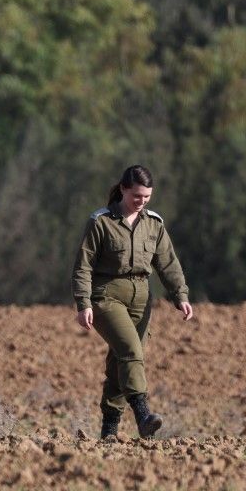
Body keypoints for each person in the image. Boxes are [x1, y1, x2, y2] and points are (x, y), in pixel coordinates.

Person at [71, 164, 193, 440]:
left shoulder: (153, 223)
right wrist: (83, 303)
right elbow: (83, 266)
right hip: (107, 295)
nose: (141, 201)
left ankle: (109, 431)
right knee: (130, 351)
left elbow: (168, 263)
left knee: (120, 362)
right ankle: (143, 415)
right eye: (137, 196)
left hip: (141, 298)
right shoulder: (101, 222)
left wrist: (180, 296)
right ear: (124, 189)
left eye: (147, 197)